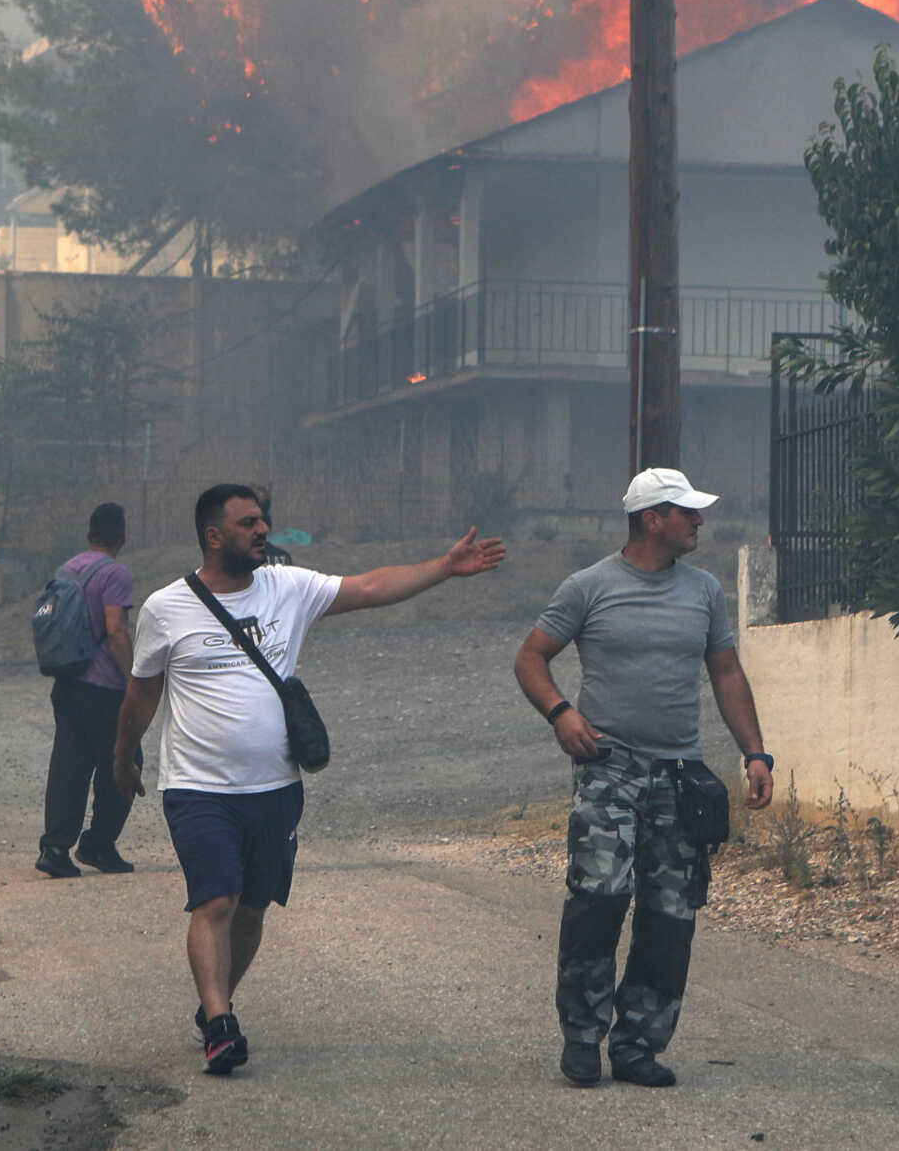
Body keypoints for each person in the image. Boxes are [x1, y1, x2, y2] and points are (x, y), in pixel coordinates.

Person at [115, 483, 506, 1077]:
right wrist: (124, 754)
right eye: (248, 523)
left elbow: (370, 587)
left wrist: (444, 569)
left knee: (250, 909)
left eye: (264, 520)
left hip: (276, 786)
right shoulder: (166, 608)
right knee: (215, 900)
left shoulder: (287, 588)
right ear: (214, 535)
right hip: (198, 787)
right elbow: (144, 690)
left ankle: (215, 1001)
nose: (263, 530)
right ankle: (220, 1024)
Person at [512, 466, 775, 1090]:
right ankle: (582, 1036)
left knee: (670, 915)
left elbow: (728, 674)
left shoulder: (705, 591)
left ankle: (637, 1044)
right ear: (651, 519)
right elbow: (530, 657)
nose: (698, 521)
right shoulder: (588, 587)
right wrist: (560, 712)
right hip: (610, 768)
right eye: (687, 512)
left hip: (679, 775)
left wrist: (756, 753)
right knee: (599, 900)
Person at [36, 502, 138, 879]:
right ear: (122, 536)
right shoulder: (115, 573)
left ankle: (55, 848)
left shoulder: (67, 569)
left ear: (89, 534)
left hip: (67, 682)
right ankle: (98, 844)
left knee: (69, 765)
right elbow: (116, 629)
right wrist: (133, 678)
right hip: (102, 688)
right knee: (126, 761)